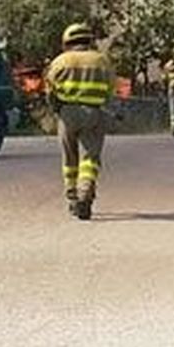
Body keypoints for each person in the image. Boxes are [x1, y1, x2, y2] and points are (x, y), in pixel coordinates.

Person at [45, 22, 113, 220]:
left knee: (69, 159)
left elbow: (50, 90)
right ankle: (85, 193)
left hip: (67, 114)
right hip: (94, 113)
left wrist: (57, 110)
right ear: (89, 41)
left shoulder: (59, 62)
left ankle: (73, 198)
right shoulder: (102, 61)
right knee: (90, 159)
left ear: (67, 42)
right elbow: (110, 90)